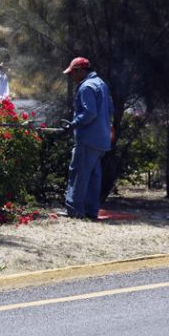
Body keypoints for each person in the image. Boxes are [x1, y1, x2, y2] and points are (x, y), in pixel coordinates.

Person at [61, 56, 114, 220]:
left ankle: (74, 210)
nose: (72, 77)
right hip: (101, 141)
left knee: (78, 174)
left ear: (80, 71)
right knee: (93, 177)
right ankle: (91, 211)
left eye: (72, 73)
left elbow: (89, 113)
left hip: (87, 139)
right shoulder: (101, 84)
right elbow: (110, 109)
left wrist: (73, 124)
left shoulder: (86, 87)